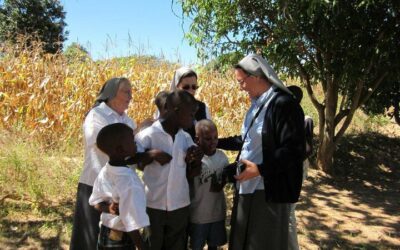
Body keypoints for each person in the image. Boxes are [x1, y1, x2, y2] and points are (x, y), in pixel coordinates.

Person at [217, 54, 306, 250]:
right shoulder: (257, 105)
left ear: (256, 76)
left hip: (267, 190)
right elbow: (248, 140)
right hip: (248, 186)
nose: (240, 87)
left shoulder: (284, 105)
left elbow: (293, 150)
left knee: (265, 241)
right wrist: (217, 142)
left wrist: (260, 170)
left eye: (241, 81)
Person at [70, 77, 136, 250]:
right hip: (94, 185)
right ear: (112, 94)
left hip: (119, 189)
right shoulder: (96, 115)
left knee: (114, 239)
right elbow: (102, 142)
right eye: (126, 92)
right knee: (88, 239)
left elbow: (134, 149)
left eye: (131, 92)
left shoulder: (128, 121)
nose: (131, 96)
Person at [135, 90, 203, 250]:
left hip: (179, 206)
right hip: (154, 206)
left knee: (177, 245)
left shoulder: (185, 138)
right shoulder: (148, 135)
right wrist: (151, 154)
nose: (193, 119)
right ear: (176, 110)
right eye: (191, 114)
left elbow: (191, 173)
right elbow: (134, 162)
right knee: (153, 244)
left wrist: (195, 160)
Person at [89, 123, 150, 250]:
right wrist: (142, 246)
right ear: (120, 149)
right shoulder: (128, 181)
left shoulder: (105, 170)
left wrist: (109, 208)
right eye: (132, 141)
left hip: (105, 235)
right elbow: (131, 223)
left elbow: (96, 202)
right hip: (123, 239)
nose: (136, 144)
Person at [187, 119, 229, 250]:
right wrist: (196, 162)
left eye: (215, 138)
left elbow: (225, 178)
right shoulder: (193, 158)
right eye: (208, 139)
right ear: (197, 139)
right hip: (198, 214)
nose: (213, 142)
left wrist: (222, 182)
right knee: (196, 245)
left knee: (214, 245)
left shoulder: (222, 157)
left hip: (217, 213)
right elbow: (189, 177)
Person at [287, 85, 315, 250]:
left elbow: (307, 149)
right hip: (295, 169)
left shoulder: (304, 119)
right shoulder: (294, 119)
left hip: (295, 169)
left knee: (289, 213)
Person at [170, 66, 211, 139]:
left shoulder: (203, 108)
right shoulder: (167, 109)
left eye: (194, 87)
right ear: (177, 87)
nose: (191, 91)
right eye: (186, 87)